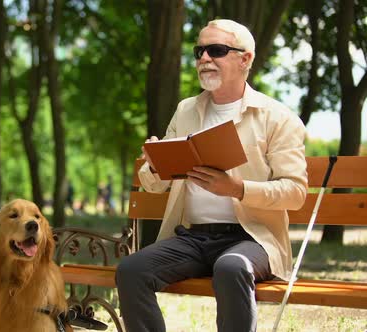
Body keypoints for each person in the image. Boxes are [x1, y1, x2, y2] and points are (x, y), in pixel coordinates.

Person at [115, 19, 308, 332]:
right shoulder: (185, 111)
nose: (204, 58)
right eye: (199, 50)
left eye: (216, 50)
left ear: (245, 59)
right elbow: (156, 185)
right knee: (131, 270)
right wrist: (153, 164)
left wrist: (237, 188)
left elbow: (295, 192)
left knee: (232, 267)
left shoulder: (277, 117)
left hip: (252, 238)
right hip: (194, 237)